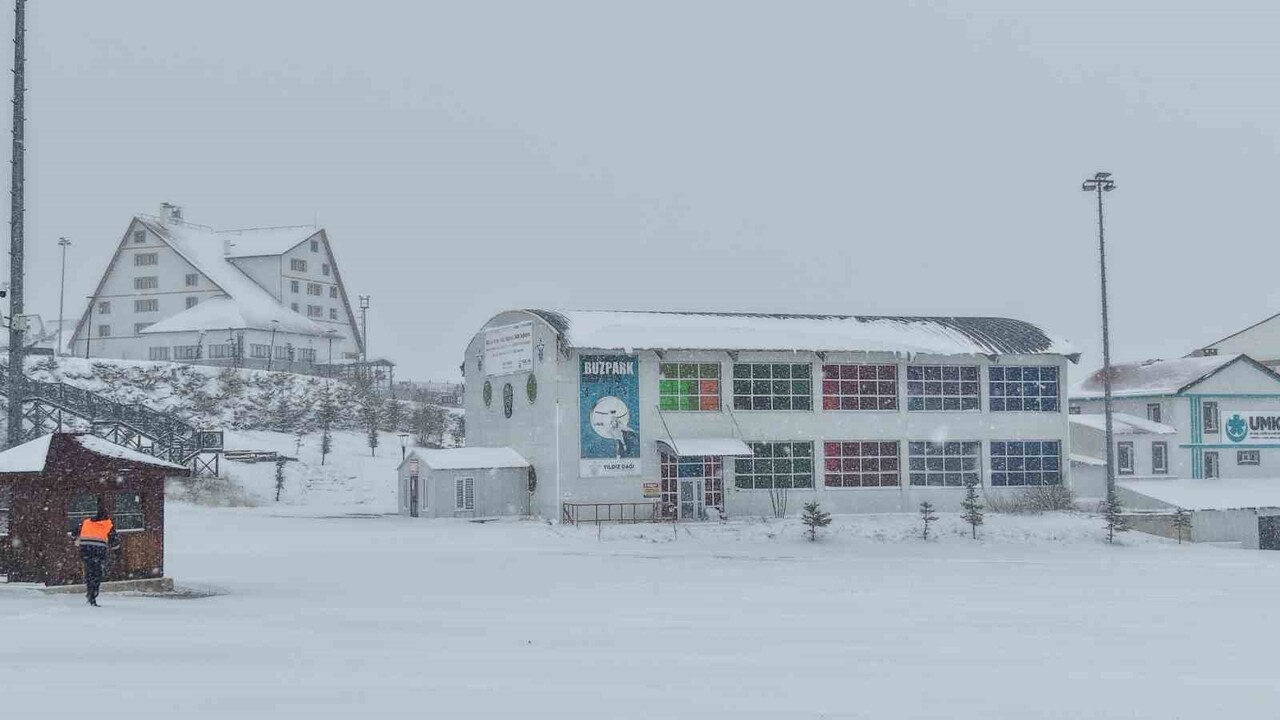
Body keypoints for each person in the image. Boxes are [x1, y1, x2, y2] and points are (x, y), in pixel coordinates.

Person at [73, 507, 120, 607]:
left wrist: (78, 539)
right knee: (97, 574)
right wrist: (117, 550)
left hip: (85, 552)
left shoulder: (86, 522)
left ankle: (90, 592)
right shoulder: (107, 524)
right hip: (98, 554)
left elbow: (74, 533)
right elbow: (114, 541)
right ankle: (93, 594)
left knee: (89, 573)